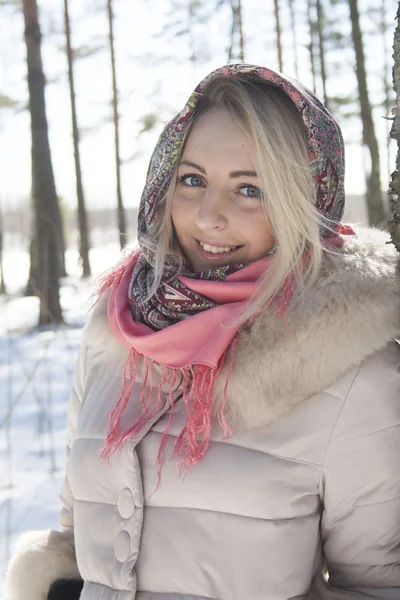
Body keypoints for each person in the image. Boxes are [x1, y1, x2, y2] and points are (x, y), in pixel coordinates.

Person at [5, 63, 400, 600]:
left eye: (249, 189)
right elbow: (79, 536)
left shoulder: (355, 370)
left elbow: (380, 586)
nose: (210, 216)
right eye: (192, 180)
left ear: (302, 201)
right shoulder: (115, 329)